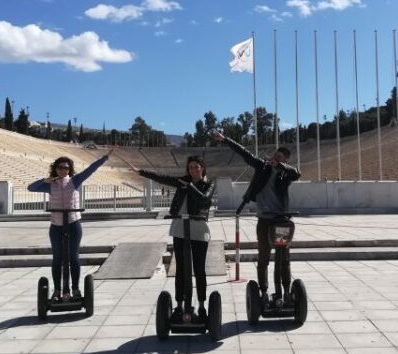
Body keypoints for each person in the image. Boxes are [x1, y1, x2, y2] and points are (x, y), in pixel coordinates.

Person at [212, 130, 300, 307]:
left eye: (280, 157)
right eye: (275, 156)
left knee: (283, 258)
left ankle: (286, 291)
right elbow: (245, 154)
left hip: (281, 220)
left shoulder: (286, 174)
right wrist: (225, 139)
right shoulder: (263, 167)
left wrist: (280, 166)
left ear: (286, 160)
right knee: (264, 257)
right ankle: (264, 291)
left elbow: (297, 173)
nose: (275, 159)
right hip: (264, 220)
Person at [127, 155, 215, 322]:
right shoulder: (183, 181)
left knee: (199, 269)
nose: (193, 170)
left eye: (197, 166)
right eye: (190, 167)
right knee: (181, 268)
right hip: (180, 228)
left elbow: (204, 200)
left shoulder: (209, 184)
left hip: (199, 229)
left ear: (202, 168)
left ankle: (202, 305)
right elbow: (163, 179)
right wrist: (141, 172)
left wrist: (189, 186)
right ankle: (180, 305)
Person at [28, 148, 115, 302]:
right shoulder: (50, 184)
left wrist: (105, 158)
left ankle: (75, 289)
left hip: (73, 223)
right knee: (57, 258)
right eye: (60, 167)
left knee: (74, 257)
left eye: (66, 168)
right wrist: (44, 180)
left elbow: (91, 169)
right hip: (56, 225)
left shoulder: (75, 180)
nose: (63, 170)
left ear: (70, 169)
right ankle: (57, 290)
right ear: (56, 168)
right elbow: (31, 188)